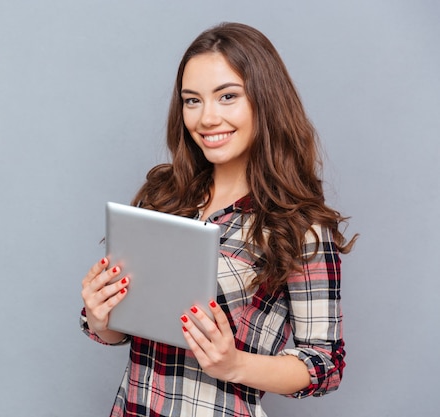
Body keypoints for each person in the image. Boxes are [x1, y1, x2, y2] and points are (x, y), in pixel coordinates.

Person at [80, 22, 357, 417]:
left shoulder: (299, 226)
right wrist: (100, 313)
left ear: (266, 101)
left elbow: (325, 364)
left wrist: (236, 365)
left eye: (227, 96)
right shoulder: (165, 198)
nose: (207, 118)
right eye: (192, 101)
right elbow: (120, 330)